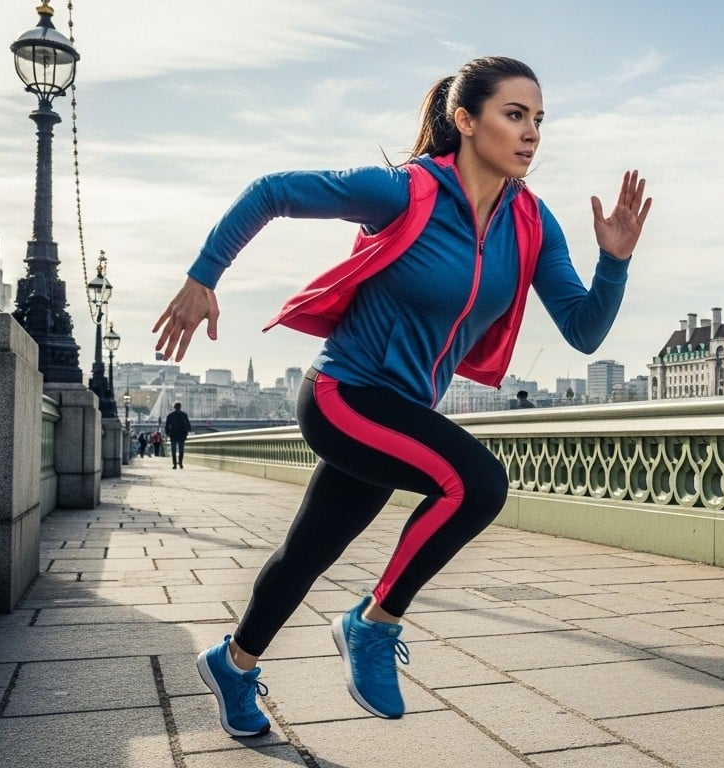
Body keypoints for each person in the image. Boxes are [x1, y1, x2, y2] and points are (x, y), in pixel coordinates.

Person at [152, 56, 651, 738]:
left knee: (306, 555)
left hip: (404, 413)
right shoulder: (403, 192)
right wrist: (203, 276)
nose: (532, 133)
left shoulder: (532, 225)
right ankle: (373, 623)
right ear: (466, 121)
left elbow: (585, 331)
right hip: (343, 394)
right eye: (515, 115)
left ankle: (233, 665)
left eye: (539, 120)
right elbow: (271, 191)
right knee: (478, 485)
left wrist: (615, 262)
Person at [165, 402, 192, 469]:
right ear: (180, 407)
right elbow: (188, 424)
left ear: (174, 407)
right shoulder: (184, 415)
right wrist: (188, 431)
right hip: (181, 435)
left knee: (173, 450)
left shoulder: (170, 415)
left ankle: (174, 464)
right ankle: (180, 463)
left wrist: (167, 433)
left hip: (173, 434)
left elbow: (167, 425)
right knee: (181, 450)